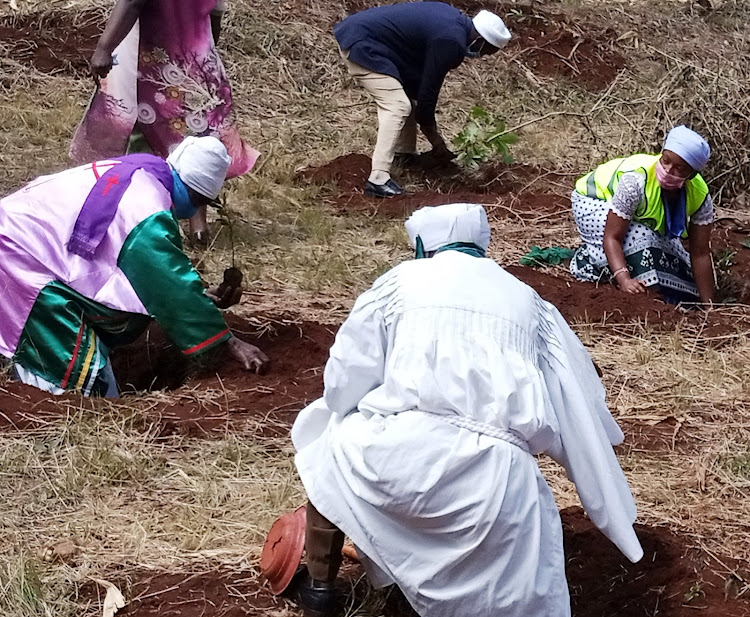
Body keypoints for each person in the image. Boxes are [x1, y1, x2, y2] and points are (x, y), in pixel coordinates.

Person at [290, 203, 643, 617]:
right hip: (500, 482)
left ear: (423, 245)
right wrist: (609, 505)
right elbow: (579, 408)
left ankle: (319, 588)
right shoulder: (529, 302)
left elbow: (341, 386)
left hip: (399, 463)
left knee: (323, 438)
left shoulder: (399, 283)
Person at [0, 136, 268, 396]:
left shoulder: (135, 172)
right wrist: (227, 341)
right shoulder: (148, 207)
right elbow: (168, 283)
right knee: (77, 384)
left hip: (22, 241)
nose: (191, 212)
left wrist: (199, 295)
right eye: (198, 201)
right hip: (18, 256)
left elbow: (121, 261)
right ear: (195, 193)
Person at [69, 0, 259, 246]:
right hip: (196, 51)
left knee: (140, 132)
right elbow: (215, 13)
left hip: (149, 55)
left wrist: (104, 48)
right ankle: (197, 225)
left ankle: (144, 215)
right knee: (197, 131)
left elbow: (133, 2)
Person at [334, 3, 511, 198]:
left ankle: (403, 154)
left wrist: (429, 125)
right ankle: (378, 180)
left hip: (369, 38)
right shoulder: (451, 42)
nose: (480, 57)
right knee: (397, 105)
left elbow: (421, 85)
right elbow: (427, 98)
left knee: (408, 98)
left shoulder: (453, 22)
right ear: (479, 40)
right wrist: (436, 141)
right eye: (486, 52)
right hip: (363, 44)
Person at [570, 125, 714, 304]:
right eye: (665, 160)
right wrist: (624, 279)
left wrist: (709, 305)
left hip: (634, 217)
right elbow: (612, 236)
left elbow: (700, 253)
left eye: (679, 168)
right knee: (642, 239)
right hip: (593, 201)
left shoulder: (700, 196)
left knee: (680, 262)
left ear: (691, 175)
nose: (668, 170)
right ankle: (587, 260)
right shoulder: (636, 180)